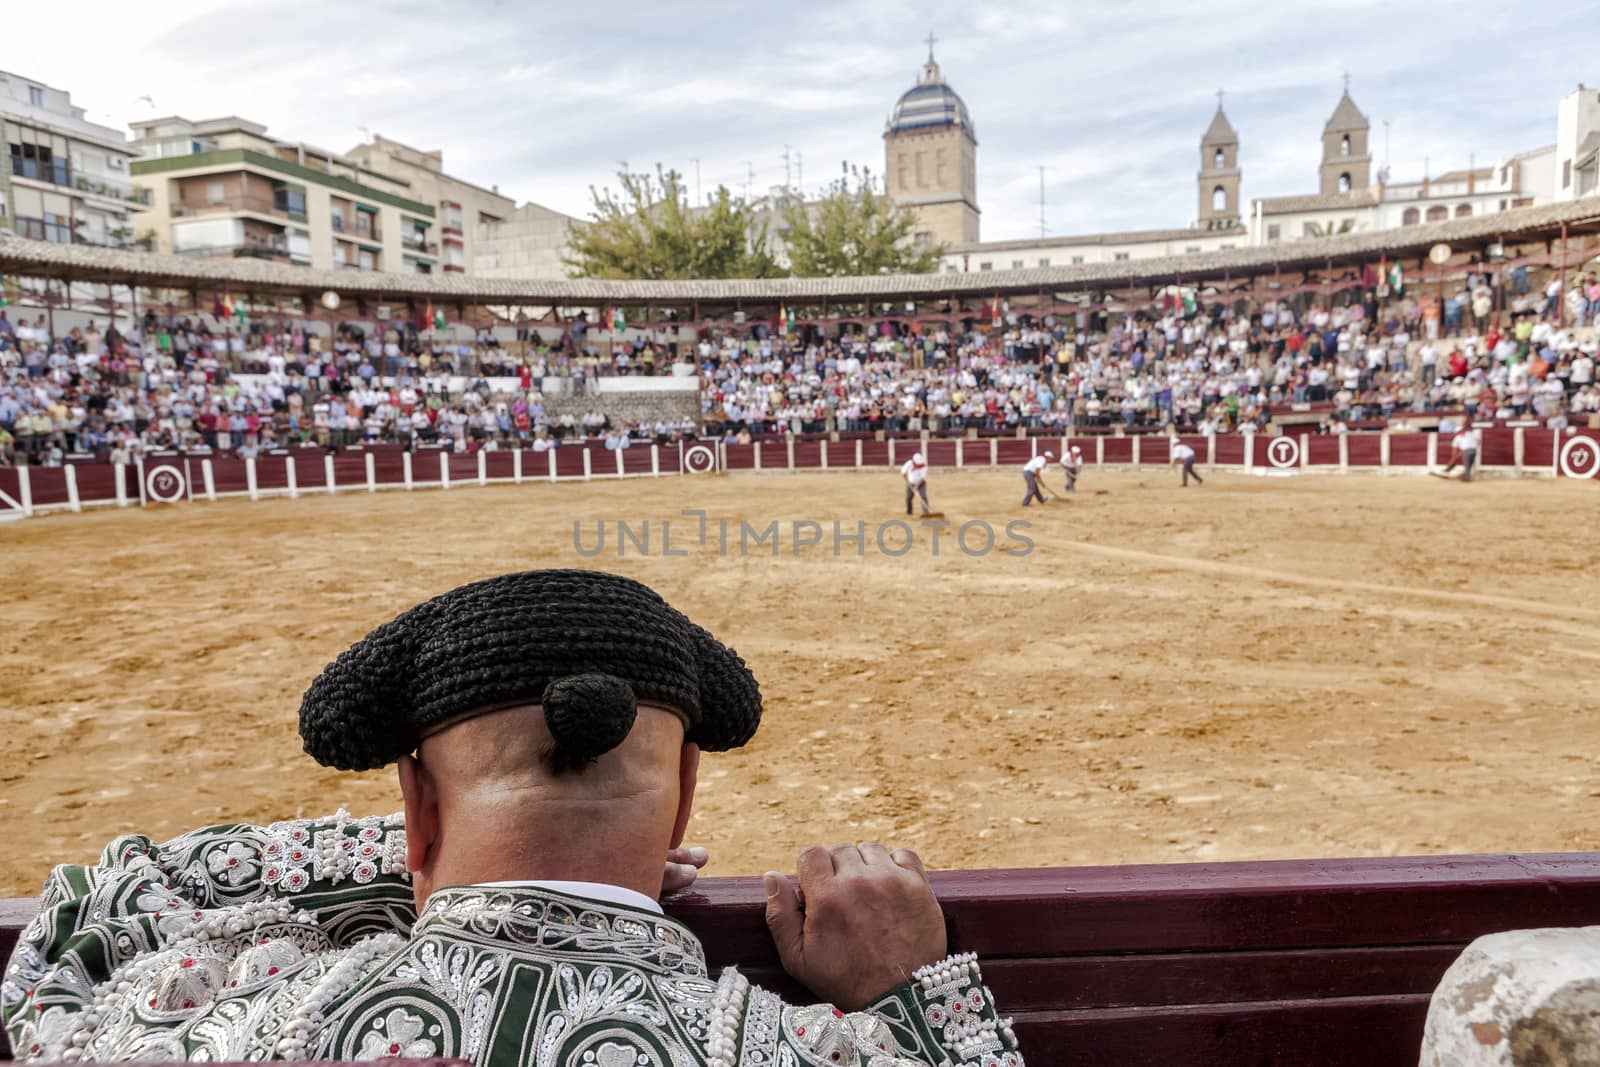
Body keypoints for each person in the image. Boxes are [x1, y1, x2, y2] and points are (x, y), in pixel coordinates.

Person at [3, 570, 1024, 1067]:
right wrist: (908, 995)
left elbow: (86, 922)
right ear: (686, 794)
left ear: (412, 799)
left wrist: (397, 858)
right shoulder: (794, 1052)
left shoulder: (243, 1022)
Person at [901, 450, 931, 516]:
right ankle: (909, 512)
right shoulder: (909, 464)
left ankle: (926, 513)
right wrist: (908, 482)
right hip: (911, 483)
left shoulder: (924, 466)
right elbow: (903, 473)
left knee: (923, 496)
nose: (918, 465)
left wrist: (916, 486)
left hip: (921, 484)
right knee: (908, 498)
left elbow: (923, 478)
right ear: (914, 462)